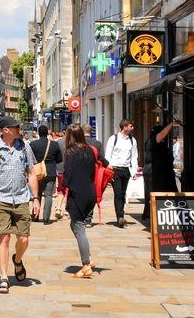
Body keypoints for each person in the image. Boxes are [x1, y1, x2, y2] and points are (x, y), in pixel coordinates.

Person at [0, 116, 40, 295]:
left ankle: (18, 259)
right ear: (6, 130)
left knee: (24, 239)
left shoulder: (24, 146)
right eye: (16, 127)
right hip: (0, 198)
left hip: (21, 198)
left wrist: (35, 198)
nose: (19, 129)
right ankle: (4, 277)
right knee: (4, 238)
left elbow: (31, 173)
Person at [62, 124, 97, 278]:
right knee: (75, 225)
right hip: (90, 192)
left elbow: (67, 176)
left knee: (79, 227)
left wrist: (65, 184)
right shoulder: (89, 150)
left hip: (78, 194)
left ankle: (86, 265)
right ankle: (88, 257)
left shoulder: (71, 152)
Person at [141, 119, 182, 220]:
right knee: (155, 193)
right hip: (154, 173)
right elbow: (162, 134)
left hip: (162, 172)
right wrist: (171, 124)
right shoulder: (152, 140)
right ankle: (154, 215)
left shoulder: (160, 144)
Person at [104, 119, 139, 228]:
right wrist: (109, 167)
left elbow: (134, 156)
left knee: (123, 194)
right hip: (115, 170)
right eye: (130, 126)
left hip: (126, 170)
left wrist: (134, 170)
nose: (132, 128)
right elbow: (107, 154)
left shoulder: (133, 140)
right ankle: (120, 217)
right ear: (124, 127)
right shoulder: (113, 139)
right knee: (118, 193)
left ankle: (120, 214)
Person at [29, 125, 62, 225]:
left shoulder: (33, 144)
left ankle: (35, 216)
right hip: (50, 172)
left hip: (37, 172)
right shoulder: (54, 145)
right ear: (47, 133)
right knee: (48, 195)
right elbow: (59, 159)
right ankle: (46, 218)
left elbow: (29, 158)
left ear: (38, 133)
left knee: (37, 195)